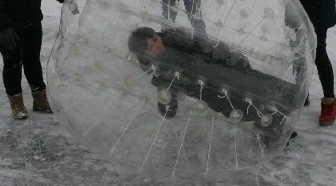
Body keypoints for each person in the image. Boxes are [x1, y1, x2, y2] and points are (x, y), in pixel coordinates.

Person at [127, 26, 301, 137]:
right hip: (215, 96)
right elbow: (168, 103)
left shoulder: (179, 39)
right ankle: (274, 126)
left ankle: (288, 107)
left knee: (262, 88)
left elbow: (211, 46)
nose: (157, 46)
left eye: (155, 40)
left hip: (227, 72)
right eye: (150, 48)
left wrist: (234, 60)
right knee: (247, 109)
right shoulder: (162, 74)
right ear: (145, 55)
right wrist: (166, 102)